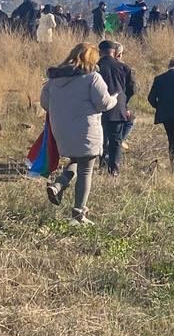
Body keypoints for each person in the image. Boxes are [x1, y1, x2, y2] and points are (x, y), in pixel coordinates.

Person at [41, 43, 117, 225]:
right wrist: (115, 99)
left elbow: (45, 103)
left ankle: (58, 185)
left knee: (77, 160)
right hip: (86, 129)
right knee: (85, 169)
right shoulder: (92, 78)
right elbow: (104, 104)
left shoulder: (54, 79)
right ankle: (78, 213)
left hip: (61, 130)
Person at [97, 40, 137, 177]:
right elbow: (132, 89)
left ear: (100, 52)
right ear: (114, 52)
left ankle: (101, 162)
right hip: (117, 107)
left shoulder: (96, 67)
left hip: (98, 107)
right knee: (116, 140)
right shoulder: (124, 68)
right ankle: (113, 170)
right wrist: (124, 102)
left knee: (100, 137)